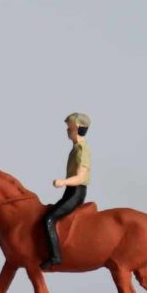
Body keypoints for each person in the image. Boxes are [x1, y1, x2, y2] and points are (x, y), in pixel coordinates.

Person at [41, 112, 91, 269]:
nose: (67, 131)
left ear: (77, 128)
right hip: (70, 192)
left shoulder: (82, 150)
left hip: (75, 193)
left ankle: (55, 256)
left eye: (69, 127)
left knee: (49, 219)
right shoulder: (76, 148)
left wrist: (63, 182)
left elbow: (81, 177)